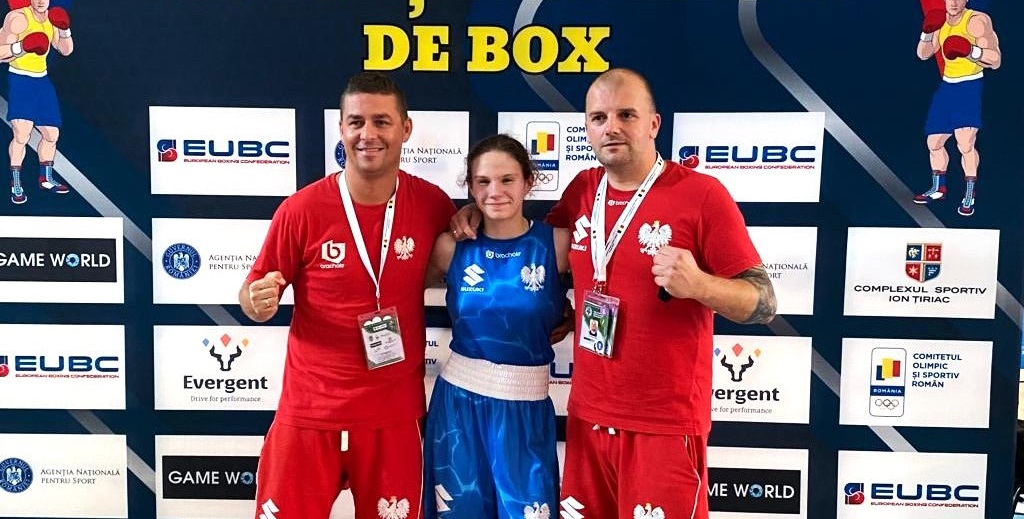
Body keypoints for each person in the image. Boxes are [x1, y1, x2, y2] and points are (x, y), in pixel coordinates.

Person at [452, 68, 777, 519]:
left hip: (662, 424)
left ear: (653, 124)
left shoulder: (702, 195)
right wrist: (477, 211)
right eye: (599, 117)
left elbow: (764, 302)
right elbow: (532, 247)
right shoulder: (584, 189)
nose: (612, 127)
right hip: (588, 417)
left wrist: (700, 285)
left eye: (626, 115)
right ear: (587, 128)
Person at [240, 71, 456, 519]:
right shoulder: (301, 210)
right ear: (341, 128)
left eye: (382, 121)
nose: (368, 134)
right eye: (356, 122)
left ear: (405, 129)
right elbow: (253, 292)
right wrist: (256, 302)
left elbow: (482, 259)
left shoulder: (432, 204)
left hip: (393, 417)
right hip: (310, 412)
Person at [422, 134, 569, 519]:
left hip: (525, 409)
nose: (495, 191)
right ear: (471, 188)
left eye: (507, 180)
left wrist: (569, 312)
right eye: (483, 182)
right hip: (459, 408)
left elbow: (606, 290)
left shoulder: (558, 245)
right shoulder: (450, 247)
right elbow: (393, 292)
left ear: (528, 182)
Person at [912, 0, 1001, 217]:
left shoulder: (977, 21)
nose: (954, 3)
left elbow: (995, 60)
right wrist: (926, 33)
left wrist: (970, 50)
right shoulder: (940, 20)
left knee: (965, 143)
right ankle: (938, 188)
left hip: (969, 86)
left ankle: (969, 193)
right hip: (947, 87)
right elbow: (923, 54)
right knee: (934, 142)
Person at [0, 0, 74, 204]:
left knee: (52, 134)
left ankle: (46, 178)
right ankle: (16, 183)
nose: (40, 1)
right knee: (22, 134)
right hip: (21, 80)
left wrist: (64, 30)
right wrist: (22, 47)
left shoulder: (52, 20)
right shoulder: (17, 19)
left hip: (42, 81)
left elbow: (66, 50)